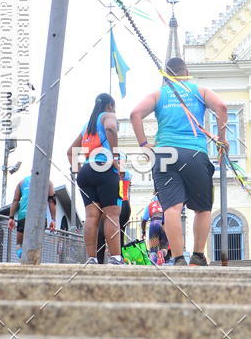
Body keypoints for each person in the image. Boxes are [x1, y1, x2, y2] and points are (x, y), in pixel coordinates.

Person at [130, 57, 228, 266]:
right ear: (186, 71)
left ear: (166, 75)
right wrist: (222, 139)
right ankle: (197, 256)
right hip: (194, 153)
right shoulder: (199, 91)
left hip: (165, 152)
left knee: (172, 209)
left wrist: (144, 144)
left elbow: (135, 113)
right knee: (202, 208)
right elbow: (221, 107)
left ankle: (177, 258)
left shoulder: (159, 94)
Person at [67, 93, 123, 266]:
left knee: (91, 216)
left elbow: (70, 151)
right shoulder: (108, 115)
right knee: (112, 215)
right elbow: (111, 128)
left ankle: (91, 258)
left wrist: (79, 170)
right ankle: (115, 258)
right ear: (110, 105)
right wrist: (114, 157)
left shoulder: (87, 126)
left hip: (86, 171)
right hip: (104, 167)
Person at [8, 175, 56, 259]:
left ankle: (21, 256)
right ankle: (32, 259)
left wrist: (11, 218)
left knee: (19, 244)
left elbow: (15, 200)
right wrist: (53, 220)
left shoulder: (22, 182)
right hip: (40, 217)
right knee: (36, 246)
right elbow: (51, 201)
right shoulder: (48, 182)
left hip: (24, 216)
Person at [96, 166, 132, 264]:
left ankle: (117, 259)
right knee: (102, 233)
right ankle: (104, 260)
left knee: (113, 233)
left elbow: (122, 173)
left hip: (120, 204)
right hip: (113, 204)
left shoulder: (123, 172)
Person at [141, 195, 170, 264]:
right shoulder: (166, 203)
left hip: (154, 224)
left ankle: (153, 266)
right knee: (164, 247)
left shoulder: (150, 205)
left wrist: (143, 232)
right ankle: (161, 253)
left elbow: (144, 220)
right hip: (164, 225)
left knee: (153, 250)